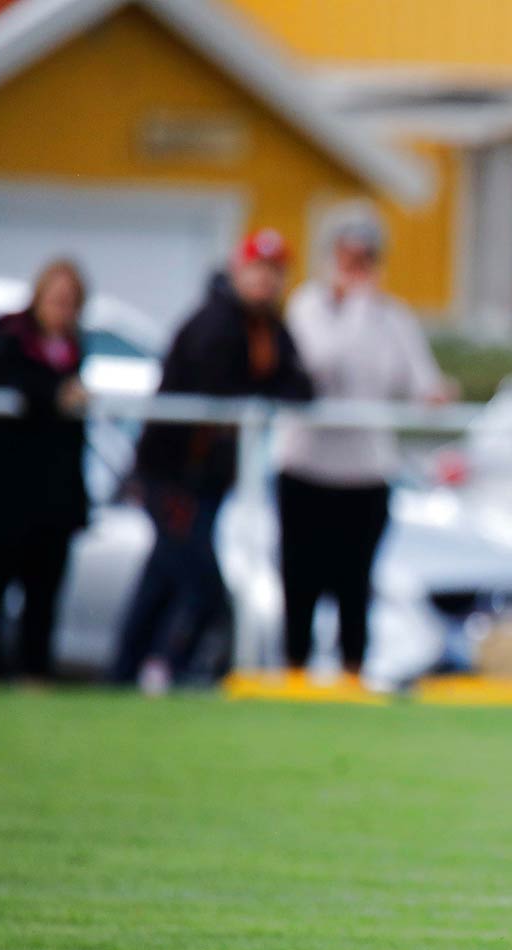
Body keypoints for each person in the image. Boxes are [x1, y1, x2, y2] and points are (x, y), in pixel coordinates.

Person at [111, 230, 314, 693]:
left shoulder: (268, 328)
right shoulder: (213, 322)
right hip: (174, 473)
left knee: (163, 574)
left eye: (274, 272)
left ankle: (124, 671)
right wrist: (262, 393)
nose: (265, 280)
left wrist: (265, 391)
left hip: (208, 478)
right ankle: (168, 667)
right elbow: (218, 385)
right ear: (238, 270)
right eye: (257, 270)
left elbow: (299, 386)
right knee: (200, 583)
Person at [279, 204, 449, 686]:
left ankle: (353, 672)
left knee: (355, 581)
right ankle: (296, 671)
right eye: (349, 256)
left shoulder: (392, 317)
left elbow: (419, 379)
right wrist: (354, 305)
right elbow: (322, 363)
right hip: (308, 469)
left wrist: (435, 393)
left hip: (366, 473)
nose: (358, 267)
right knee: (302, 578)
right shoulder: (308, 307)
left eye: (367, 257)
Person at [0, 259, 90, 681]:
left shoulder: (77, 348)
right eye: (56, 298)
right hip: (4, 493)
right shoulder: (9, 336)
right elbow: (10, 381)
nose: (63, 308)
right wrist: (56, 392)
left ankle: (34, 673)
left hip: (53, 499)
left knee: (43, 593)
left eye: (70, 301)